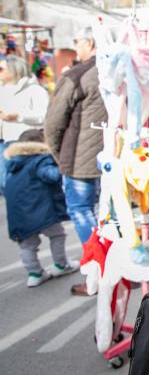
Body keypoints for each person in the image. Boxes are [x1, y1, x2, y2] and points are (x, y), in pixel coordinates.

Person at [44, 27, 108, 295]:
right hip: (109, 156)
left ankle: (95, 271)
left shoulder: (77, 75)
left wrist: (59, 156)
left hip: (80, 159)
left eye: (77, 42)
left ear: (90, 43)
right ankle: (103, 267)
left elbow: (53, 122)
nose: (75, 48)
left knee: (82, 211)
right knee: (104, 216)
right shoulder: (111, 69)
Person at [3, 128, 79, 287]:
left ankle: (34, 273)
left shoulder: (13, 164)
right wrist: (61, 168)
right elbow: (52, 175)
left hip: (18, 213)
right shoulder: (40, 159)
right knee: (57, 234)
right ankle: (61, 264)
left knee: (27, 244)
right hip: (42, 210)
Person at [0, 55, 50, 142]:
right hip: (5, 143)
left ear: (15, 70)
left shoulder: (35, 90)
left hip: (29, 144)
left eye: (1, 69)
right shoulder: (3, 91)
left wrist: (18, 117)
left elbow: (45, 117)